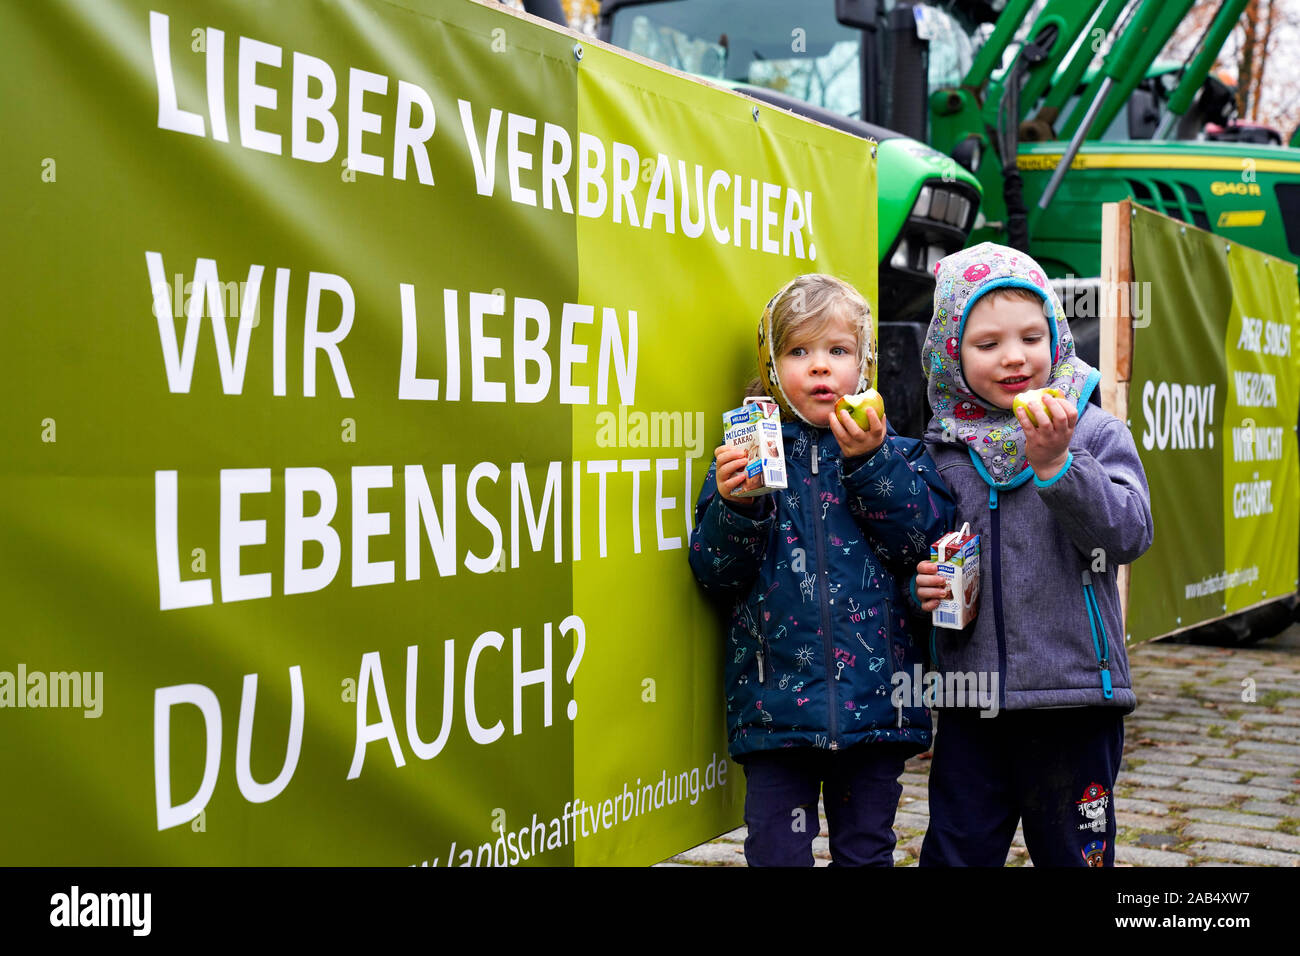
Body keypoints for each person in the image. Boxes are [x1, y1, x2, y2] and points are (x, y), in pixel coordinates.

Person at [688, 274, 954, 866]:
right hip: (776, 710)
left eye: (838, 351)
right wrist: (738, 506)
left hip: (875, 709)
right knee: (776, 853)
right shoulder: (747, 456)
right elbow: (714, 572)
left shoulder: (900, 452)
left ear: (864, 365)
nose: (819, 368)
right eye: (798, 352)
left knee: (866, 851)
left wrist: (871, 463)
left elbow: (927, 540)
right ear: (771, 362)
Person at [912, 243, 1154, 867]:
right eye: (986, 344)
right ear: (950, 355)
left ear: (1058, 336)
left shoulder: (1095, 431)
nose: (1014, 357)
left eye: (1031, 336)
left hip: (1075, 699)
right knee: (955, 852)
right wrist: (923, 592)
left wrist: (1059, 465)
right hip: (972, 704)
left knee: (1076, 855)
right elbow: (912, 560)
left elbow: (1129, 534)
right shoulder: (939, 455)